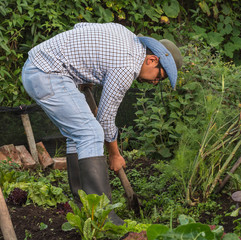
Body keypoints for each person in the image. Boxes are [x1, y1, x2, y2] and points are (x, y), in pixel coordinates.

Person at [21, 22, 183, 225]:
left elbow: (80, 27)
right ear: (152, 60)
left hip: (44, 66)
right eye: (160, 76)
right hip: (47, 74)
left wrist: (82, 70)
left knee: (78, 134)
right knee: (91, 133)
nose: (155, 83)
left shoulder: (125, 34)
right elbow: (105, 119)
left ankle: (83, 206)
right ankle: (103, 216)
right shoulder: (126, 67)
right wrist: (114, 155)